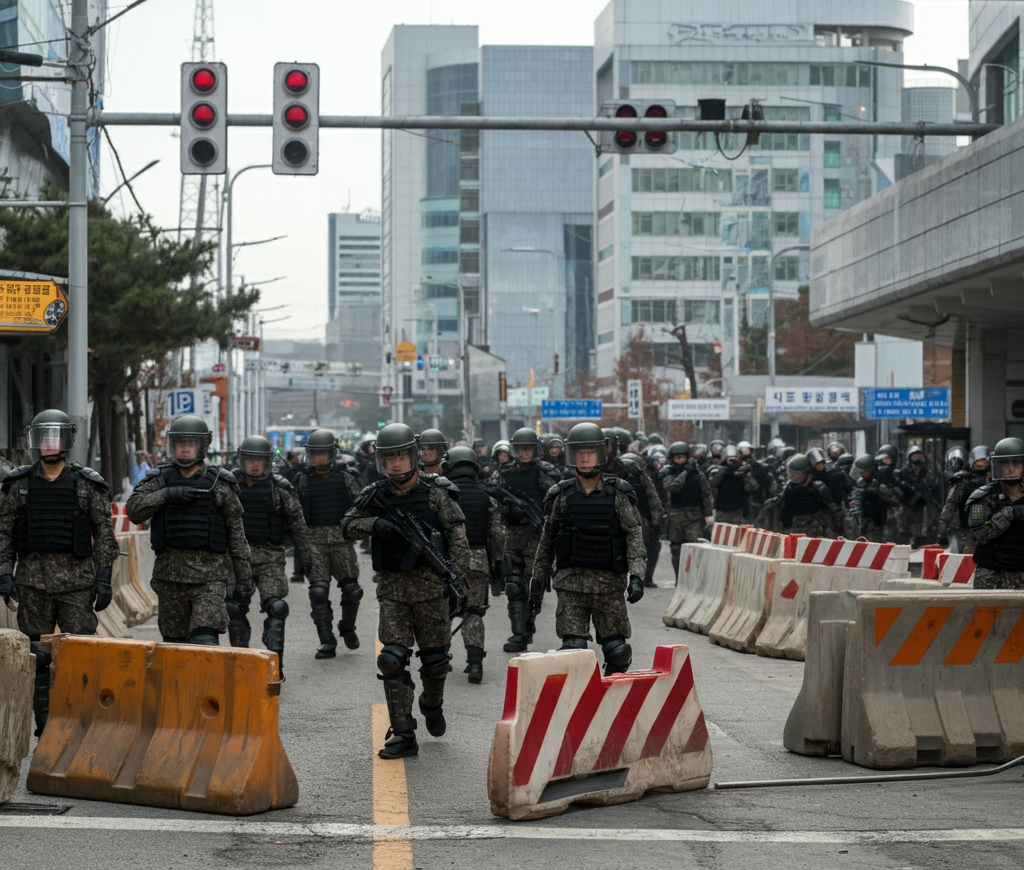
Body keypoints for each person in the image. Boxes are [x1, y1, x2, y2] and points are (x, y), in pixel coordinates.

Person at [340, 423, 469, 760]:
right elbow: (347, 525)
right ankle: (403, 734)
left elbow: (458, 540)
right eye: (389, 458)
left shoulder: (436, 493)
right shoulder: (375, 495)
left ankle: (432, 702)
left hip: (432, 590)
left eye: (401, 456)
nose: (396, 464)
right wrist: (374, 525)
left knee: (435, 661)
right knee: (391, 659)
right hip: (394, 591)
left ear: (412, 455)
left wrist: (460, 583)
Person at [0, 409, 119, 737]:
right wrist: (4, 575)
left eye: (55, 437)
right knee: (37, 656)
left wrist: (104, 577)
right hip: (32, 583)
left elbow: (105, 536)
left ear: (66, 441)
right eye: (43, 438)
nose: (48, 444)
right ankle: (47, 729)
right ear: (34, 443)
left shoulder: (87, 485)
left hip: (77, 584)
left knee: (80, 653)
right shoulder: (19, 485)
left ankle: (81, 723)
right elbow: (5, 535)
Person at [530, 422, 647, 676]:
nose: (585, 459)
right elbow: (547, 541)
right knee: (573, 652)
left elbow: (634, 536)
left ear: (601, 455)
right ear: (572, 456)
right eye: (579, 453)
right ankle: (578, 711)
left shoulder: (619, 494)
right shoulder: (560, 495)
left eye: (590, 453)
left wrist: (637, 576)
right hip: (571, 585)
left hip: (609, 586)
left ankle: (613, 704)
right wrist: (537, 581)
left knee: (617, 651)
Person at [126, 414, 252, 646]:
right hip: (170, 580)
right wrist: (166, 495)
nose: (185, 448)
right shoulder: (160, 480)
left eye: (190, 443)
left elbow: (236, 534)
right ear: (173, 446)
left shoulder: (219, 484)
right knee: (176, 647)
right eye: (180, 443)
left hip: (210, 580)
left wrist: (243, 579)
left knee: (205, 641)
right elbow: (134, 510)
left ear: (201, 446)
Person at [228, 435, 312, 679]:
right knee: (233, 608)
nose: (254, 465)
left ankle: (275, 667)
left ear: (268, 462)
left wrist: (305, 553)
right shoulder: (229, 486)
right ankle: (240, 664)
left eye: (259, 460)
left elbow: (298, 523)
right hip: (236, 558)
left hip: (270, 557)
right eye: (250, 459)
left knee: (277, 607)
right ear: (242, 460)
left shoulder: (280, 489)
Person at [294, 428, 364, 658]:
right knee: (318, 592)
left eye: (323, 454)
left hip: (342, 541)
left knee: (352, 590)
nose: (319, 459)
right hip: (314, 542)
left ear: (332, 454)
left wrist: (355, 529)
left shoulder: (345, 476)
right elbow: (295, 513)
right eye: (315, 454)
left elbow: (360, 505)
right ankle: (327, 641)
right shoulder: (302, 479)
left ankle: (347, 627)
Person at [488, 427, 560, 652]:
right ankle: (518, 634)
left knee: (533, 586)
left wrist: (541, 516)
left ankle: (529, 626)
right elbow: (492, 499)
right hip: (511, 535)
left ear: (535, 450)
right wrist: (509, 512)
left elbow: (556, 500)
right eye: (520, 449)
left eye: (528, 449)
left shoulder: (545, 472)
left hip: (537, 536)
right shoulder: (504, 473)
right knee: (513, 587)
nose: (524, 453)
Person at [443, 446, 505, 683]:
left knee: (444, 611)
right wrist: (497, 562)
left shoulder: (442, 495)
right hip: (478, 561)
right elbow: (497, 535)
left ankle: (441, 659)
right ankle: (475, 662)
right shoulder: (486, 495)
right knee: (473, 614)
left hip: (447, 562)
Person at [967, 438, 1024, 589]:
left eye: (1016, 464)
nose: (1011, 469)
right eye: (1006, 464)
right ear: (998, 465)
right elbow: (981, 534)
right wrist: (1009, 513)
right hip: (992, 574)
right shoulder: (983, 497)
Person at [660, 442, 714, 579]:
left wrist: (708, 514)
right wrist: (685, 472)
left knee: (694, 548)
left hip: (694, 516)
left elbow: (706, 494)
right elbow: (672, 487)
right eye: (677, 457)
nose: (680, 460)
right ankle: (679, 578)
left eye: (682, 457)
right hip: (675, 515)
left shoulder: (697, 474)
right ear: (672, 458)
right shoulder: (668, 472)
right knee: (676, 549)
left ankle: (692, 578)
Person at [770, 453, 842, 537]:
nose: (794, 477)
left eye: (798, 475)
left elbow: (833, 511)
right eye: (792, 474)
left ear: (808, 474)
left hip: (817, 532)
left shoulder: (818, 488)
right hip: (793, 533)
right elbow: (780, 512)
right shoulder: (787, 490)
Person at [940, 445, 988, 553]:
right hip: (968, 529)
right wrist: (944, 524)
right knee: (968, 558)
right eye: (978, 461)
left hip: (991, 527)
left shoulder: (994, 481)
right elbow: (951, 504)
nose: (981, 464)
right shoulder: (963, 481)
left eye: (984, 461)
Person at [846, 454, 901, 542]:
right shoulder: (860, 483)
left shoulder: (880, 484)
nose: (863, 474)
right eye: (862, 472)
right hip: (864, 520)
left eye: (866, 472)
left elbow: (894, 500)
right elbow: (854, 496)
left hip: (880, 521)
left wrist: (878, 496)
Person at [896, 445, 941, 546]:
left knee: (919, 530)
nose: (916, 458)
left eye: (918, 456)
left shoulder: (926, 472)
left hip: (920, 507)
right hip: (907, 505)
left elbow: (933, 488)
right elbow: (899, 488)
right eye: (914, 456)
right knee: (904, 531)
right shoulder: (905, 472)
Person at [707, 444, 758, 524]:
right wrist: (724, 470)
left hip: (739, 511)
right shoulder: (718, 471)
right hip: (722, 510)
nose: (732, 462)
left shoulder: (742, 472)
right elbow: (712, 484)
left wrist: (744, 473)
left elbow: (753, 487)